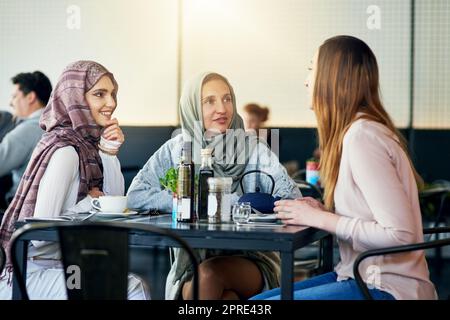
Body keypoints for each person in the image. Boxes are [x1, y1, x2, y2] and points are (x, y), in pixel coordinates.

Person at [251, 35, 436, 300]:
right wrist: (325, 213)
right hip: (358, 276)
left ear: (333, 76)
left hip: (387, 289)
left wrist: (320, 219)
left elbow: (401, 234)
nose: (306, 81)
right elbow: (370, 219)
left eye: (311, 69)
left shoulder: (362, 137)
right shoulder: (358, 132)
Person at [127, 72, 300, 300]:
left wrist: (237, 204)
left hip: (253, 260)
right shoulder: (176, 149)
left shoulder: (253, 148)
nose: (222, 108)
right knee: (225, 297)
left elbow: (291, 196)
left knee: (209, 276)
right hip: (191, 263)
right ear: (192, 108)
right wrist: (188, 201)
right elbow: (135, 195)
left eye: (227, 99)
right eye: (209, 101)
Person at [0, 61, 148, 300]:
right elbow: (38, 237)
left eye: (112, 94)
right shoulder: (66, 152)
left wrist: (109, 153)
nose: (111, 103)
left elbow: (113, 205)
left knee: (130, 284)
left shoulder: (88, 145)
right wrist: (91, 202)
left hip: (64, 264)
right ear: (75, 99)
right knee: (132, 288)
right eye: (100, 94)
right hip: (31, 271)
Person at [0, 72, 52, 206]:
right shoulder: (57, 125)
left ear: (30, 97)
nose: (11, 103)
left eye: (14, 96)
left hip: (19, 209)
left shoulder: (27, 130)